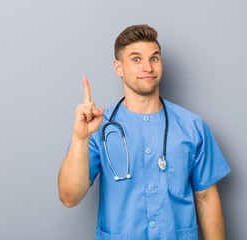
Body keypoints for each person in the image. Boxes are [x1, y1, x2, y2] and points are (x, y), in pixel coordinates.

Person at [58, 24, 231, 240]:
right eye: (136, 59)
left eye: (154, 58)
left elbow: (206, 197)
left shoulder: (192, 126)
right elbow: (69, 197)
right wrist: (79, 138)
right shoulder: (99, 128)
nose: (147, 67)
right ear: (118, 67)